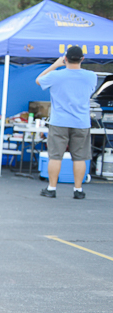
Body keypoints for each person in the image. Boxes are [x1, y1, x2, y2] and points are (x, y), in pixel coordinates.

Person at [36, 46, 99, 199]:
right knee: (80, 157)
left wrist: (55, 65)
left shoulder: (56, 75)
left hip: (59, 122)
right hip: (81, 122)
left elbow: (38, 80)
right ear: (82, 59)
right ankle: (78, 190)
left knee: (55, 156)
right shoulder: (91, 76)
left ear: (65, 59)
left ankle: (51, 188)